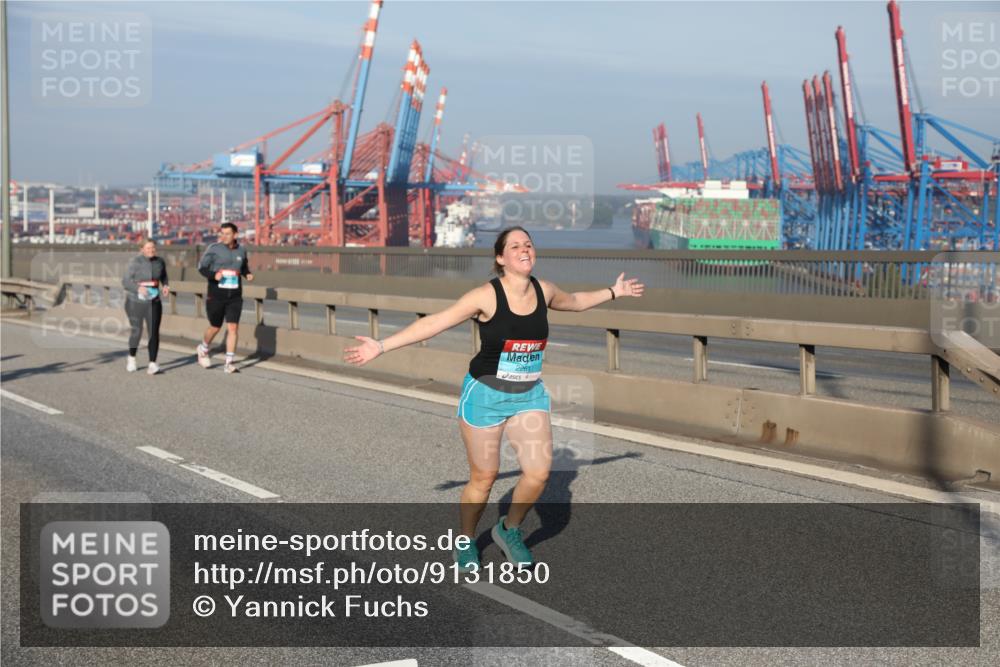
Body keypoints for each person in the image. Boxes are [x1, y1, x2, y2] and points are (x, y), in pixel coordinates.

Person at [344, 226, 644, 570]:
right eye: (515, 246)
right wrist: (381, 346)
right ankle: (466, 540)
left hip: (528, 395)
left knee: (539, 474)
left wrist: (613, 291)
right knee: (484, 478)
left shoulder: (543, 290)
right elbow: (435, 323)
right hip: (485, 395)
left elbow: (574, 302)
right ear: (501, 258)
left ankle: (508, 530)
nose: (525, 249)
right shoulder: (485, 296)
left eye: (528, 244)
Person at [196, 222, 254, 373]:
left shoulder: (241, 250)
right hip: (216, 295)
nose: (224, 236)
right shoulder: (214, 249)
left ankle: (228, 363)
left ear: (235, 235)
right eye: (222, 233)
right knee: (215, 326)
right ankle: (203, 348)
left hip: (235, 295)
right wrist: (213, 275)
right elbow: (201, 268)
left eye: (227, 234)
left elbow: (244, 266)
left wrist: (247, 273)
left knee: (233, 327)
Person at [121, 239, 170, 375]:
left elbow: (164, 277)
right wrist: (138, 288)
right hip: (135, 302)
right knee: (137, 330)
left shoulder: (160, 261)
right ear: (141, 249)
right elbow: (125, 281)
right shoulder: (135, 262)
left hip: (154, 301)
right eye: (148, 248)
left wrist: (165, 285)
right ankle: (131, 358)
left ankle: (152, 364)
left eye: (153, 248)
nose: (151, 250)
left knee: (153, 332)